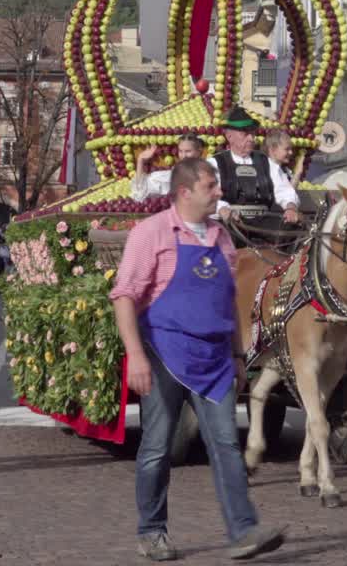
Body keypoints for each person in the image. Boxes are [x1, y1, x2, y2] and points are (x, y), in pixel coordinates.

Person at [110, 158, 286, 561]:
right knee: (157, 446)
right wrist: (135, 355)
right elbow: (124, 296)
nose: (220, 191)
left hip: (215, 359)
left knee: (225, 443)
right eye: (211, 185)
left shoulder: (222, 238)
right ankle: (152, 531)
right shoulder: (150, 233)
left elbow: (228, 301)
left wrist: (239, 353)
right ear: (185, 191)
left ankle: (244, 531)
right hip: (164, 354)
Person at [209, 106, 300, 227]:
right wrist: (222, 209)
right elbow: (205, 196)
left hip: (264, 224)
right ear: (229, 136)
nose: (251, 138)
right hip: (229, 225)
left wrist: (291, 207)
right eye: (245, 134)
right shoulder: (214, 164)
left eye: (252, 134)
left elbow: (284, 191)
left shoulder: (267, 163)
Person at [131, 134, 206, 203]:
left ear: (199, 151)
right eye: (180, 151)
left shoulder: (206, 173)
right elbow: (140, 192)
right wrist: (140, 160)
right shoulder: (174, 175)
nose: (183, 155)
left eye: (188, 151)